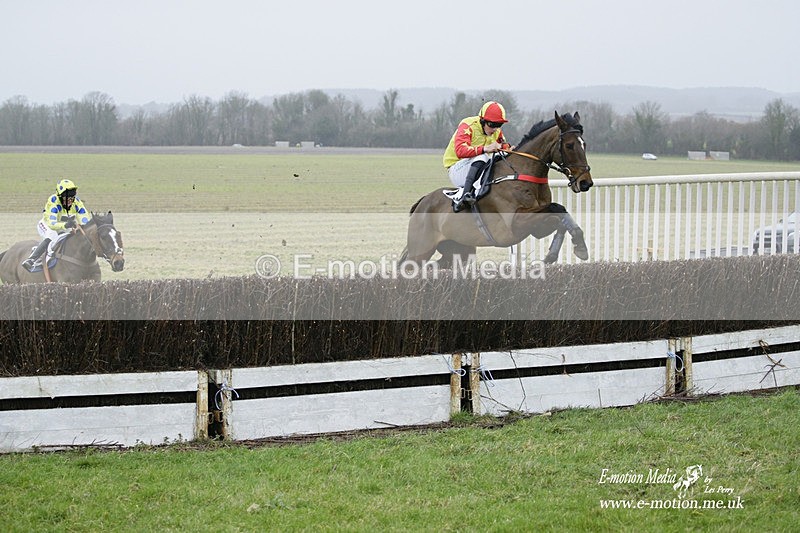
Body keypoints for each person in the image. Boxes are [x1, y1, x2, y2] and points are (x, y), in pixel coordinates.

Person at [442, 101, 511, 211]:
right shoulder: (467, 126)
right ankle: (465, 196)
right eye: (492, 125)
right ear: (482, 120)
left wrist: (509, 149)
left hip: (476, 168)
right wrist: (485, 149)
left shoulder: (497, 132)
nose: (495, 129)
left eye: (499, 125)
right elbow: (460, 151)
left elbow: (503, 147)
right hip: (457, 169)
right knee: (483, 157)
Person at [22, 179, 92, 272]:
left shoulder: (77, 202)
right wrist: (66, 225)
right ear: (60, 195)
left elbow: (84, 218)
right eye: (67, 195)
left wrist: (85, 227)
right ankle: (31, 259)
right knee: (52, 236)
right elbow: (52, 224)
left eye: (72, 194)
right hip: (47, 225)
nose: (70, 199)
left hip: (64, 227)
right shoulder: (53, 201)